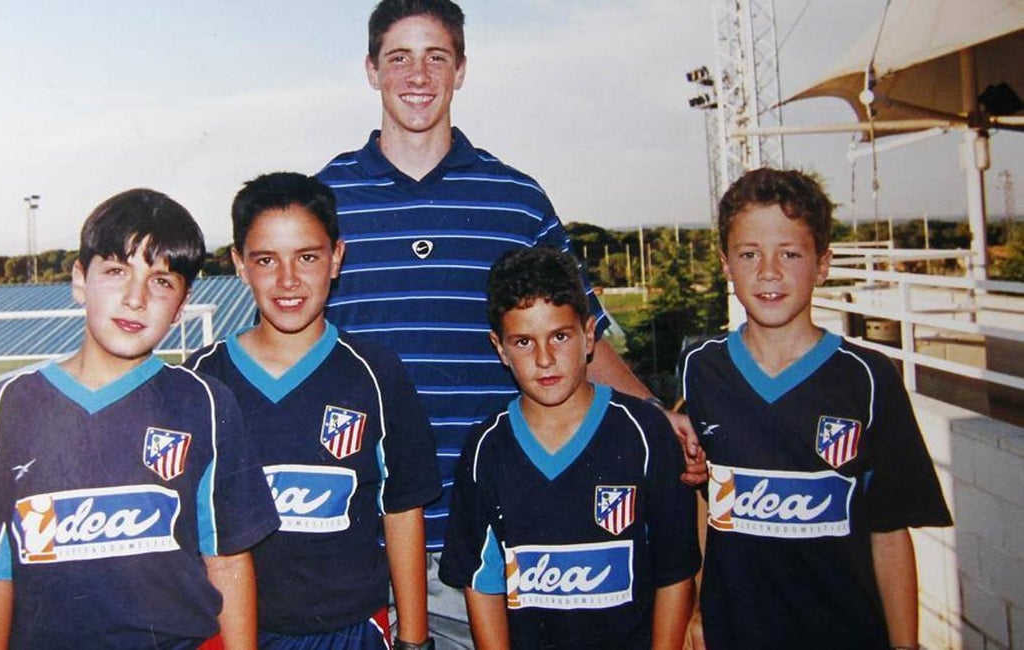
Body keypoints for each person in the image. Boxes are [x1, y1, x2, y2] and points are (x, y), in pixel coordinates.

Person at [315, 0, 703, 558]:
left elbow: (582, 343)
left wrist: (658, 417)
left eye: (436, 57)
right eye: (399, 58)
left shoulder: (517, 201)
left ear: (461, 70)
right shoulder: (323, 203)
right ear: (372, 70)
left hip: (501, 533)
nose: (418, 76)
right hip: (363, 537)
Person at [0, 189, 279, 649]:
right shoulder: (9, 408)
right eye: (116, 271)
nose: (136, 298)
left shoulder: (206, 404)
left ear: (182, 304)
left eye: (162, 282)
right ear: (79, 279)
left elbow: (228, 561)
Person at [678, 167, 953, 649]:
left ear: (822, 263)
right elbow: (703, 502)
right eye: (749, 254)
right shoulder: (702, 369)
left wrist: (905, 644)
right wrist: (699, 608)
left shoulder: (868, 378)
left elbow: (889, 534)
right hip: (734, 633)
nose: (769, 272)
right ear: (726, 263)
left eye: (790, 253)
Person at [185, 172, 441, 650]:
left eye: (307, 257)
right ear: (240, 264)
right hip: (229, 632)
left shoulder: (375, 375)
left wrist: (414, 640)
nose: (288, 280)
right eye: (266, 260)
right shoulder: (199, 379)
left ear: (336, 258)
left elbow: (403, 510)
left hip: (346, 631)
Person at [438, 247, 700, 649]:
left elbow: (674, 573)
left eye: (559, 336)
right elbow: (483, 582)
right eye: (524, 341)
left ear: (589, 335)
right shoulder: (486, 449)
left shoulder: (644, 434)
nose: (544, 359)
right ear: (500, 348)